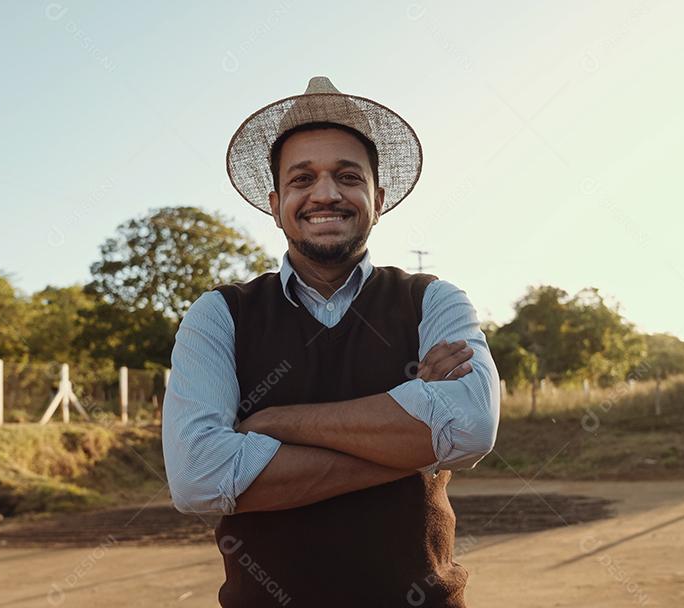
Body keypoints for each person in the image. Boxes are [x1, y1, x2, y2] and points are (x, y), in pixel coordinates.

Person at [162, 76, 501, 607]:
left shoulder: (433, 301)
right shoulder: (220, 315)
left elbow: (473, 425)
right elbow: (199, 478)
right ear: (276, 204)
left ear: (377, 198)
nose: (325, 194)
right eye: (303, 179)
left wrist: (274, 424)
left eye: (347, 176)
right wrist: (415, 444)